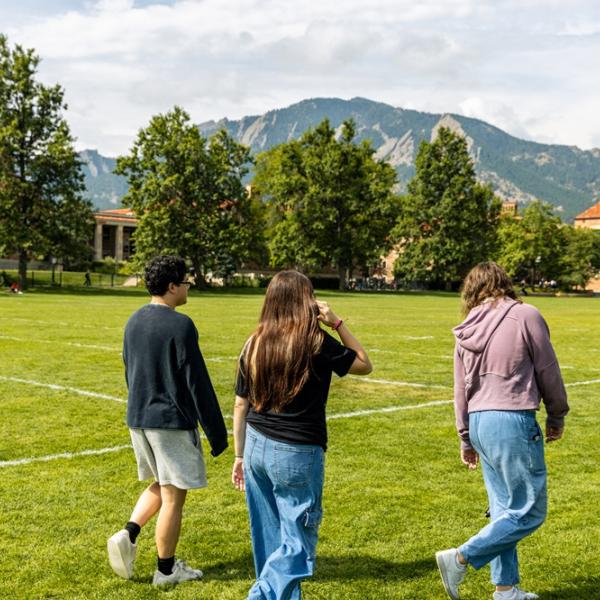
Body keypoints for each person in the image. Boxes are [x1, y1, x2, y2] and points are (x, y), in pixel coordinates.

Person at [231, 270, 372, 599]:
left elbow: (240, 404)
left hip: (255, 446)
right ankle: (260, 595)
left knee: (269, 536)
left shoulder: (254, 342)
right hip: (295, 452)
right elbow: (364, 363)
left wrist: (239, 455)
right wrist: (336, 323)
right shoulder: (316, 341)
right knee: (297, 545)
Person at [436, 262, 569, 600]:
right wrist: (557, 414)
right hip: (512, 419)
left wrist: (465, 436)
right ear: (504, 283)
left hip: (480, 423)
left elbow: (459, 389)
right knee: (530, 510)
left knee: (503, 510)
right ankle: (462, 557)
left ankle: (505, 589)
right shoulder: (525, 315)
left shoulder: (465, 328)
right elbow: (548, 369)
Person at [107, 255, 228, 587]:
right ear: (172, 286)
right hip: (170, 421)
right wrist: (218, 434)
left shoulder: (133, 320)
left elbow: (129, 370)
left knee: (160, 483)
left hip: (139, 418)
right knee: (174, 495)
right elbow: (197, 382)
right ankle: (165, 570)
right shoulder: (181, 324)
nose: (188, 287)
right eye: (185, 282)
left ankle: (128, 533)